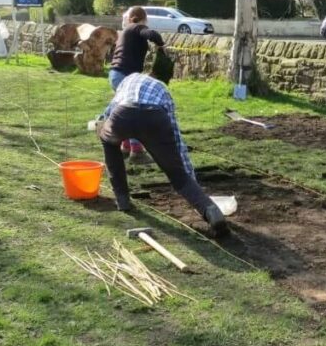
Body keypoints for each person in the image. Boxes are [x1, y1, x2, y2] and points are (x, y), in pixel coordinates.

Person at [98, 71, 229, 238]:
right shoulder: (163, 90)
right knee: (177, 174)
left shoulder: (128, 80)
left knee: (109, 142)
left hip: (124, 113)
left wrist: (104, 125)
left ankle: (122, 200)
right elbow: (176, 137)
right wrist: (186, 174)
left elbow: (110, 110)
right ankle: (210, 210)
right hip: (155, 118)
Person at [109, 7, 165, 161]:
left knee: (125, 110)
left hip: (116, 74)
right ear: (143, 18)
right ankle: (137, 151)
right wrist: (161, 45)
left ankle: (125, 147)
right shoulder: (136, 28)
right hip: (124, 75)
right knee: (134, 111)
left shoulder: (127, 31)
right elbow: (152, 34)